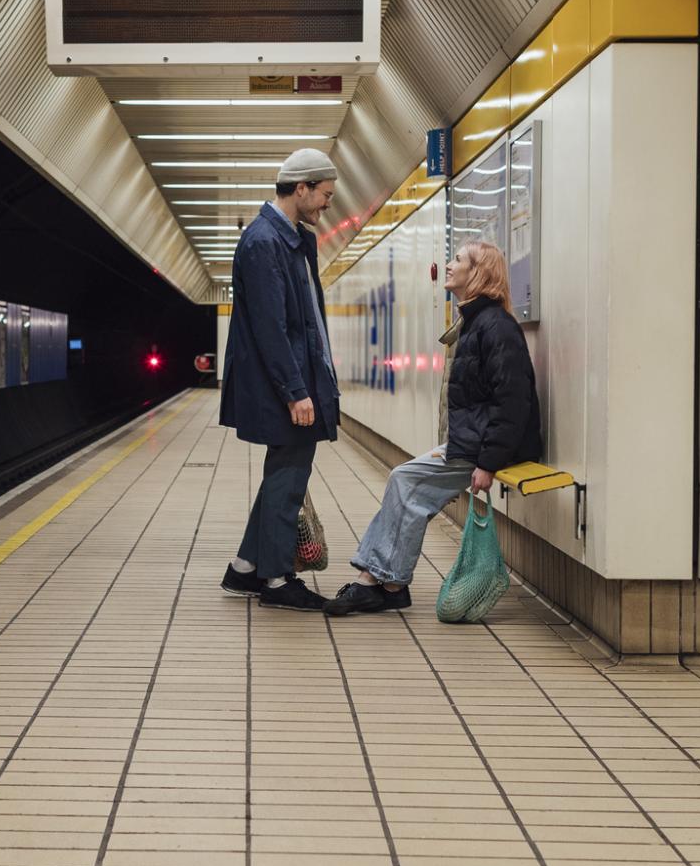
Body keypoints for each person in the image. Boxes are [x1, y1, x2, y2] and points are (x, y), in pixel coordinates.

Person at [324, 240, 543, 616]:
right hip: (474, 442)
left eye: (457, 259)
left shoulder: (496, 328)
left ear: (478, 273)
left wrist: (488, 463)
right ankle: (386, 583)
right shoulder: (477, 323)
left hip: (486, 447)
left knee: (406, 481)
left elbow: (513, 401)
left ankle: (380, 584)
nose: (449, 264)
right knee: (405, 481)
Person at [219, 147, 341, 611]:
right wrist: (296, 391)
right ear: (302, 188)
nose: (328, 203)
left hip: (296, 380)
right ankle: (275, 579)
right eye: (325, 194)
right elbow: (273, 327)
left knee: (282, 474)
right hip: (284, 387)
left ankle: (245, 569)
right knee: (288, 476)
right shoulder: (263, 242)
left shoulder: (288, 237)